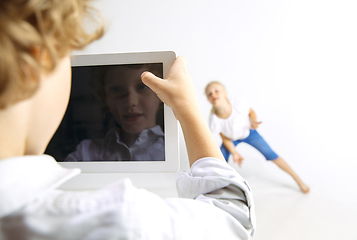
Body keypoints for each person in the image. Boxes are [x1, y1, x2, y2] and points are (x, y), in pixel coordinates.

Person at [0, 0, 255, 239]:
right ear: (38, 60)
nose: (130, 101)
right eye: (66, 57)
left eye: (143, 88)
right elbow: (232, 216)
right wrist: (188, 108)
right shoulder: (120, 215)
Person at [205, 81, 310, 194]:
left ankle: (298, 180)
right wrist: (234, 152)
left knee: (270, 154)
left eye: (216, 91)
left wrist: (253, 121)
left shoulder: (238, 104)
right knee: (219, 159)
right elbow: (225, 138)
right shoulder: (214, 119)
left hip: (249, 133)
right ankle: (216, 188)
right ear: (208, 99)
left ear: (225, 93)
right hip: (231, 139)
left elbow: (251, 112)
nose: (213, 95)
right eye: (209, 94)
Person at [65, 64, 165, 161]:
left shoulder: (174, 150)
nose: (130, 102)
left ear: (160, 92)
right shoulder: (85, 153)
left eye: (143, 87)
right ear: (104, 97)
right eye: (116, 90)